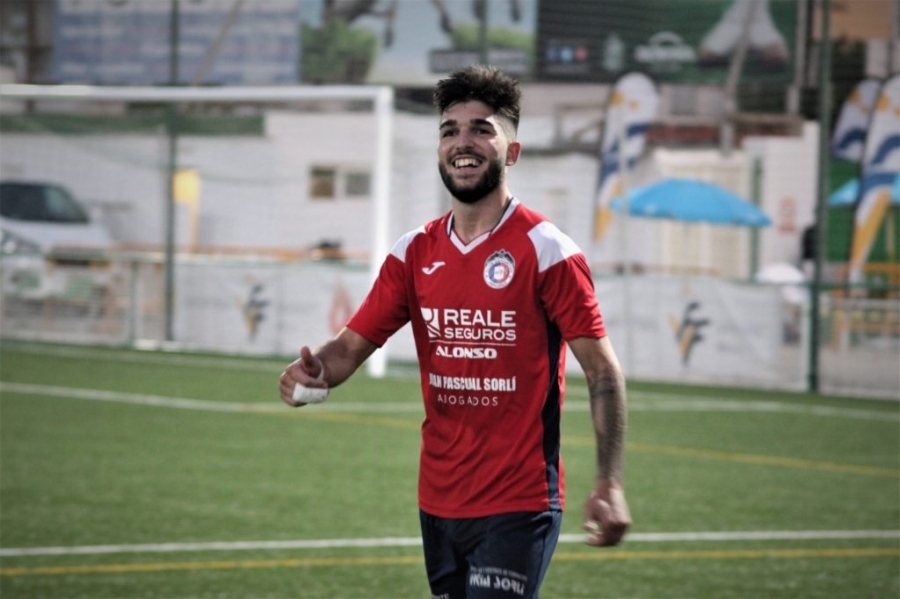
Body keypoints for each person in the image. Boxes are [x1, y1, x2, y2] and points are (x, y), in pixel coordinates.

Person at [279, 65, 630, 599]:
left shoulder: (548, 250)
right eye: (449, 131)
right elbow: (350, 347)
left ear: (511, 152)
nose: (462, 142)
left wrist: (610, 481)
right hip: (438, 500)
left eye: (481, 129)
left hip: (519, 500)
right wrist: (316, 371)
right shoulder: (413, 252)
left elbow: (602, 371)